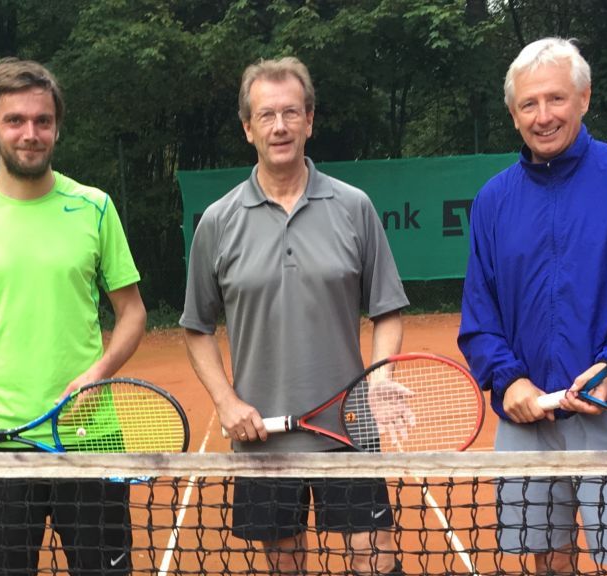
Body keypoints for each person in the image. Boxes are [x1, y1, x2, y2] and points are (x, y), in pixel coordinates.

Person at [458, 38, 607, 575]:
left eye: (556, 99)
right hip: (527, 415)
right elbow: (479, 311)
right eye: (529, 104)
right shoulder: (493, 200)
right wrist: (509, 381)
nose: (544, 116)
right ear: (513, 115)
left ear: (584, 99)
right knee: (548, 562)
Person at [0, 57, 146, 575]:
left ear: (57, 127)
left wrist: (96, 375)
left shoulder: (95, 208)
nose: (30, 133)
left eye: (42, 120)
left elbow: (132, 313)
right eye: (15, 120)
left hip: (91, 439)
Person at [180, 56, 409, 575]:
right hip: (262, 441)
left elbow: (388, 309)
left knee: (376, 561)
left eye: (291, 113)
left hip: (348, 431)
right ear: (247, 129)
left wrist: (379, 379)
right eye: (266, 115)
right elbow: (196, 328)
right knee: (285, 565)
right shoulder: (218, 222)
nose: (279, 126)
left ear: (310, 120)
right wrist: (226, 400)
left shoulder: (354, 207)